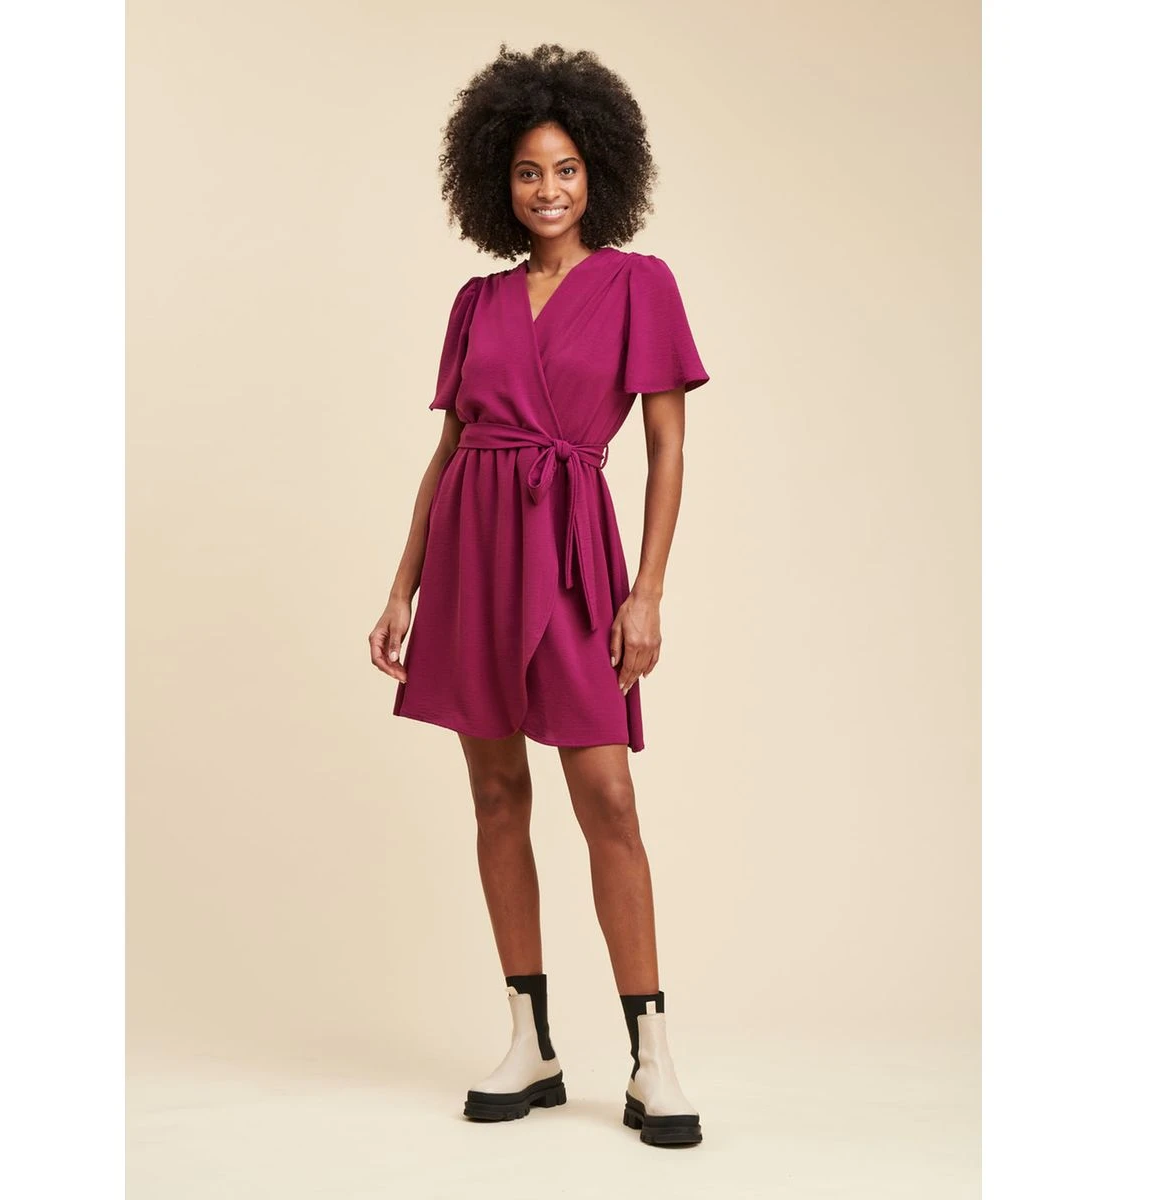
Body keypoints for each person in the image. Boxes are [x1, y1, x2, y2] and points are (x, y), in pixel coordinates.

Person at [369, 43, 710, 1148]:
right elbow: (450, 451)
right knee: (495, 795)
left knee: (606, 797)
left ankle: (653, 1056)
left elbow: (666, 448)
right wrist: (404, 586)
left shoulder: (639, 286)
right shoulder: (476, 302)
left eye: (565, 168)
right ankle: (531, 1039)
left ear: (597, 171)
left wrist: (646, 593)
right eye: (527, 171)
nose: (547, 189)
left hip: (570, 556)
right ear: (497, 181)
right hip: (472, 556)